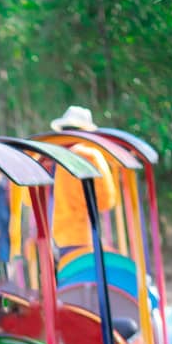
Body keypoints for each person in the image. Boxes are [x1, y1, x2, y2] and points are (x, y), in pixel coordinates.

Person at [48, 106, 117, 256]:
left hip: (57, 236)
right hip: (84, 235)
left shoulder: (51, 157)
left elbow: (29, 199)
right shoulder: (91, 155)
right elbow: (107, 199)